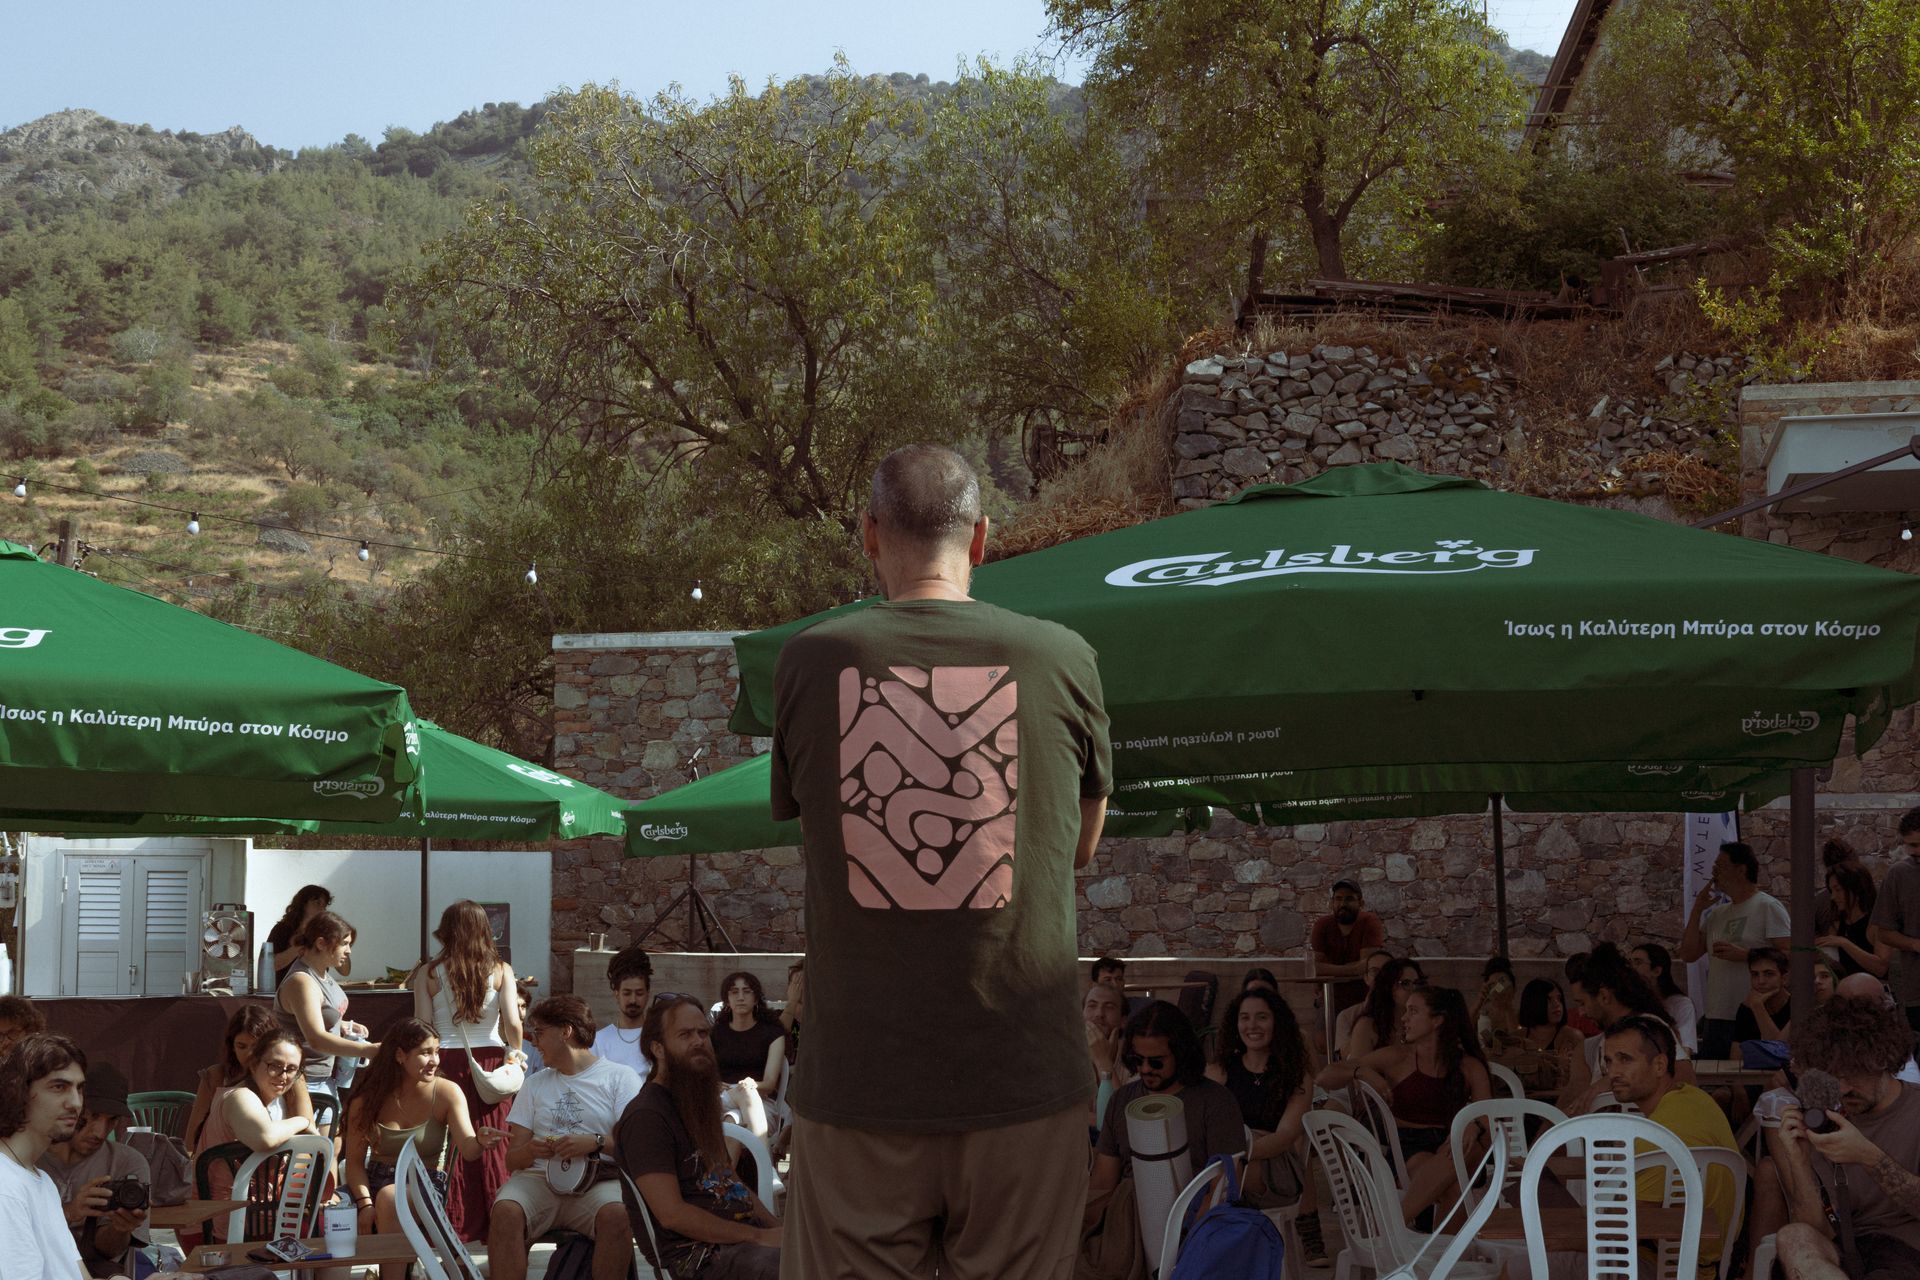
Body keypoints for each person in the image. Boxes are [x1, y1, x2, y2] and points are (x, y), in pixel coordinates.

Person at [767, 444, 1113, 1279]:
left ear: (869, 535)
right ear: (982, 538)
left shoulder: (812, 661)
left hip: (859, 1091)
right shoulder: (1063, 658)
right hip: (1023, 1083)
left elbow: (814, 831)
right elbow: (1079, 847)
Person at [615, 995, 782, 1280]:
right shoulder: (646, 1117)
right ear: (658, 1048)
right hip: (695, 1258)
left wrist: (776, 1228)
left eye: (703, 1033)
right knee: (798, 1268)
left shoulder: (696, 1102)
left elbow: (727, 1178)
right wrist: (758, 1236)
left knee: (827, 1252)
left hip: (739, 1243)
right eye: (685, 1035)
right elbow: (672, 1215)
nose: (698, 1041)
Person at [1768, 994, 1920, 1279]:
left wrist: (1870, 1158)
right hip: (1844, 1250)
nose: (1843, 1088)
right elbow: (1818, 1228)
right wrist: (1799, 1162)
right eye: (1832, 1077)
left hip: (1906, 1250)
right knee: (1793, 1236)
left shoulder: (1914, 1111)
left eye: (1853, 1075)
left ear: (1882, 1060)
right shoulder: (1829, 1120)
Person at [490, 995, 640, 1280]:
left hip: (599, 1181)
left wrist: (595, 1142)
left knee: (618, 1214)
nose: (534, 1041)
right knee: (505, 1211)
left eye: (540, 1032)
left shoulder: (621, 1078)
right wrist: (531, 1150)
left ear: (566, 1031)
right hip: (539, 1180)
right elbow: (512, 1160)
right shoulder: (534, 1084)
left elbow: (637, 1148)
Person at [342, 1018, 507, 1276]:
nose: (435, 1060)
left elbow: (468, 1149)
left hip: (424, 1183)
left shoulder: (446, 1092)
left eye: (436, 1052)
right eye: (425, 1053)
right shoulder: (367, 1100)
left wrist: (480, 1141)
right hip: (372, 1182)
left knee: (390, 1197)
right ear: (400, 1055)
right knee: (331, 1210)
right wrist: (365, 1204)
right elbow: (353, 1163)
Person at [1319, 985, 1492, 1226]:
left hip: (1455, 1143)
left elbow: (1487, 1122)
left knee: (1466, 1148)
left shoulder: (1470, 1066)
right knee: (1455, 1188)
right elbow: (1324, 1077)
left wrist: (1474, 1125)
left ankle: (1391, 1232)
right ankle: (1424, 1243)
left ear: (1438, 1020)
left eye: (1413, 1011)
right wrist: (1361, 1072)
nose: (1404, 1018)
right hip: (1410, 1147)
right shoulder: (1397, 1057)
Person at [410, 898, 523, 1240]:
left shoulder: (429, 973)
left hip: (445, 1061)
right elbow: (513, 1023)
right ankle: (500, 1219)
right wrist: (515, 1055)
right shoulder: (501, 970)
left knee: (453, 1143)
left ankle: (455, 1220)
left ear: (446, 932)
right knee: (494, 1140)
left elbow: (423, 1025)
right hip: (489, 1063)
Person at [1598, 1014, 1737, 1280]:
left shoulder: (1660, 1134)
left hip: (1665, 1268)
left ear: (1660, 1065)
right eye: (1608, 1061)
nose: (1613, 1072)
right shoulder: (1694, 1098)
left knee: (1530, 1260)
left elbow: (1617, 1233)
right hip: (1704, 1264)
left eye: (1625, 1059)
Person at [1087, 1003, 1245, 1210]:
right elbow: (1102, 1183)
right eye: (1138, 1059)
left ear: (1181, 1055)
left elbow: (1223, 1188)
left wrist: (1181, 1226)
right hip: (1127, 1211)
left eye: (1156, 1062)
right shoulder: (1122, 1100)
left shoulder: (1215, 1102)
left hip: (1191, 1214)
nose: (1145, 1069)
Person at [1206, 987, 1321, 1258]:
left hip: (1277, 1165)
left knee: (1220, 1174)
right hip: (1230, 1160)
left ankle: (1207, 1250)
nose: (1252, 1025)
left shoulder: (1296, 1075)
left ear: (1276, 1022)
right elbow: (1206, 1124)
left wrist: (1240, 1153)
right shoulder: (1221, 1070)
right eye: (1244, 1018)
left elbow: (1286, 1136)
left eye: (1262, 1017)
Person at [194, 1027, 319, 1230]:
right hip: (220, 1225)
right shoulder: (240, 1096)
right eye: (274, 1066)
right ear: (253, 1064)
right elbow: (265, 1138)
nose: (283, 1076)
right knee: (324, 1233)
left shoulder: (265, 1099)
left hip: (254, 1217)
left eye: (291, 1069)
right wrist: (303, 1121)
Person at [1680, 840, 1792, 1058]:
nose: (1714, 871)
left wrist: (1747, 955)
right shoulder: (1717, 914)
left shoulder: (1768, 906)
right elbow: (1688, 954)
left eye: (1721, 865)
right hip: (1716, 1014)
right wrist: (1697, 909)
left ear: (1741, 870)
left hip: (1751, 1014)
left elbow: (1788, 954)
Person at [37, 1063, 149, 1279]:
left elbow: (108, 1252)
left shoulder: (127, 1163)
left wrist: (120, 1227)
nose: (100, 1132)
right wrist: (70, 1212)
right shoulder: (28, 1158)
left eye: (112, 1120)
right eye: (93, 1116)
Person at [0, 1032, 90, 1280]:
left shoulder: (42, 1180)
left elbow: (77, 1274)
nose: (75, 1103)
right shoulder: (5, 1187)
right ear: (18, 1090)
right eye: (59, 1087)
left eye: (79, 1088)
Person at [275, 909, 376, 1129]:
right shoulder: (302, 981)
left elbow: (319, 1016)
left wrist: (344, 1025)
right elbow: (316, 1038)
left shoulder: (322, 974)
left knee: (330, 1145)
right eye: (344, 943)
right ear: (321, 943)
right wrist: (367, 1050)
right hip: (303, 1081)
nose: (349, 950)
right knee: (310, 1149)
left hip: (324, 1079)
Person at [187, 1005, 312, 1152]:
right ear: (232, 1046)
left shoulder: (291, 1078)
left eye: (256, 1047)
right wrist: (302, 1121)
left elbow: (309, 1142)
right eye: (242, 1046)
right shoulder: (226, 1084)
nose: (249, 1054)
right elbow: (191, 1142)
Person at [711, 972, 786, 1142]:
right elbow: (706, 1072)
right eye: (734, 992)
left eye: (747, 991)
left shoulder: (773, 1033)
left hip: (760, 1104)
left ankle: (730, 1164)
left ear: (756, 998)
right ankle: (764, 1157)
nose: (740, 997)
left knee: (732, 1121)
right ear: (727, 999)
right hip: (722, 1100)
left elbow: (769, 1084)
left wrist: (749, 1086)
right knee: (733, 1112)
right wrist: (713, 1084)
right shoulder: (716, 1032)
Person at [1871, 807, 1920, 1037]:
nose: (1917, 852)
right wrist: (1914, 944)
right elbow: (1884, 932)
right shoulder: (1900, 874)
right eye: (1913, 846)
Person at [1310, 880, 1387, 1015]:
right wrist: (1353, 968)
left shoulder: (1369, 922)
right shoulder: (1322, 925)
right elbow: (1314, 968)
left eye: (1349, 899)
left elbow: (1367, 966)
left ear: (1361, 903)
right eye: (1338, 899)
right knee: (1322, 1026)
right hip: (1330, 999)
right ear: (1332, 903)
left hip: (1365, 1000)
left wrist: (1331, 969)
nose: (1343, 904)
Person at [590, 946, 654, 1084]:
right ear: (616, 994)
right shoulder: (599, 1041)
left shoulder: (657, 1038)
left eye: (639, 993)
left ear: (647, 994)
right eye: (627, 993)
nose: (633, 1000)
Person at [1343, 956, 1424, 1060]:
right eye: (1405, 983)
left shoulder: (1424, 1021)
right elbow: (1358, 1067)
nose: (1414, 989)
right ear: (1389, 988)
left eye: (1417, 983)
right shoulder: (1367, 1025)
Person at [1820, 859, 1887, 979]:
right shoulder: (1837, 923)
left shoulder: (1877, 923)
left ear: (1856, 889)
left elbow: (1881, 968)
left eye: (1838, 890)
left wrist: (1844, 943)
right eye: (1831, 891)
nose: (1833, 897)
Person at [1514, 978, 1584, 1090]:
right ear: (1533, 1003)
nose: (1557, 1004)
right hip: (1521, 1099)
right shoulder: (1517, 1037)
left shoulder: (1572, 1036)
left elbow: (1580, 1083)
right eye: (1548, 999)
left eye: (1559, 999)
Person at [1629, 942, 1700, 1052]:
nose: (1631, 968)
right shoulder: (1627, 1002)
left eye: (1638, 963)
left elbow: (1685, 1049)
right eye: (1630, 963)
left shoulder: (1680, 1004)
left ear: (1656, 971)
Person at [1083, 981, 1129, 1130]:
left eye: (1109, 1007)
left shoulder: (1134, 1058)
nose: (1099, 1014)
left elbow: (1124, 1120)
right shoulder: (1067, 1055)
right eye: (1092, 1006)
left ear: (1123, 1021)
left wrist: (1103, 1060)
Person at [264, 884, 333, 981]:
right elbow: (269, 966)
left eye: (324, 906)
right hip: (287, 986)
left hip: (316, 986)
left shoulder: (324, 933)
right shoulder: (282, 929)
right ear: (303, 904)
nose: (322, 909)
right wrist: (301, 943)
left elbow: (345, 971)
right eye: (317, 903)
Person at [1332, 949, 1392, 1054]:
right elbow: (1344, 1056)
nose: (1381, 976)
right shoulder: (1347, 1016)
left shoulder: (1404, 1010)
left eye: (1387, 971)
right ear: (1366, 978)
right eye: (1375, 971)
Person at [1733, 945, 1793, 1049]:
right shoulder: (1747, 1008)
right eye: (1755, 974)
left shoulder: (1797, 1007)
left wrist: (1758, 1008)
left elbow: (1777, 1052)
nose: (1761, 981)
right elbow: (1736, 1055)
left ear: (1784, 979)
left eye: (1769, 974)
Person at [1474, 957, 1522, 1053]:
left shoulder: (1520, 1015)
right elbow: (1463, 1030)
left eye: (1501, 984)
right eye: (1493, 985)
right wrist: (1479, 1002)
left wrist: (1507, 1007)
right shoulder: (1481, 1015)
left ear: (1514, 988)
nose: (1498, 989)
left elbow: (1517, 1042)